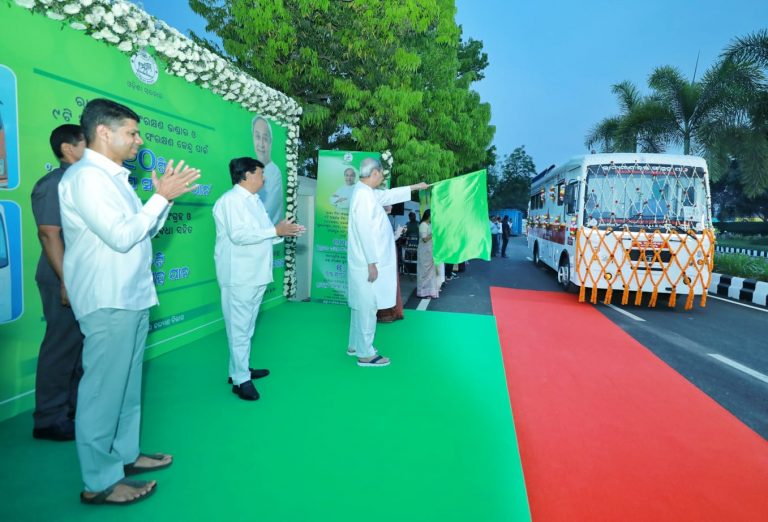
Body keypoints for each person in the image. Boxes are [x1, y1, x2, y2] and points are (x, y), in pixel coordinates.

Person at [59, 98, 200, 505]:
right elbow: (120, 237)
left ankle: (123, 455)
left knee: (126, 386)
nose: (139, 141)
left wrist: (163, 198)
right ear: (104, 132)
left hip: (130, 295)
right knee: (104, 390)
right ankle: (100, 481)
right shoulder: (87, 178)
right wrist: (159, 198)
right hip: (108, 298)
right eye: (132, 133)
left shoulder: (113, 178)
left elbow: (141, 232)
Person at [213, 157, 305, 401]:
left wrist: (284, 231)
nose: (264, 179)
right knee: (239, 328)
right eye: (260, 174)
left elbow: (266, 236)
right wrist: (275, 231)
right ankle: (241, 379)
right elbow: (239, 235)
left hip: (255, 274)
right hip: (239, 275)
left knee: (247, 327)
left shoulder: (254, 201)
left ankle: (239, 370)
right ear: (246, 175)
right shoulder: (231, 201)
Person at [30, 124, 86, 442]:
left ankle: (73, 409)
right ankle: (49, 418)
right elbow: (49, 233)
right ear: (68, 148)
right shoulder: (53, 184)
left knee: (80, 347)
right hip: (60, 277)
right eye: (85, 144)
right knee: (61, 347)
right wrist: (66, 280)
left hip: (80, 278)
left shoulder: (83, 182)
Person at [346, 158, 428, 366]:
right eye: (381, 174)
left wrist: (415, 187)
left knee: (359, 304)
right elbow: (364, 231)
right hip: (368, 262)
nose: (382, 178)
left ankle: (355, 344)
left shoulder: (366, 193)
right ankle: (365, 353)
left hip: (365, 261)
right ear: (373, 173)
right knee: (368, 306)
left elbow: (389, 195)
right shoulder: (364, 196)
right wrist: (372, 262)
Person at [252, 116, 283, 223]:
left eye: (265, 138)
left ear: (270, 141)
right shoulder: (251, 168)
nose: (260, 144)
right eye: (257, 137)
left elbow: (268, 209)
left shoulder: (274, 173)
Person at [376, 206, 405, 323]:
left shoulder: (384, 218)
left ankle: (386, 312)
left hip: (387, 257)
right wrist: (396, 235)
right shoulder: (379, 218)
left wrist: (396, 235)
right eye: (389, 203)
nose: (392, 206)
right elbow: (381, 240)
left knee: (388, 283)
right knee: (384, 284)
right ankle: (384, 313)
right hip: (382, 258)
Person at [416, 209, 441, 299]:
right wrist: (434, 234)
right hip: (424, 252)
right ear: (428, 216)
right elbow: (424, 239)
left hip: (429, 251)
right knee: (424, 272)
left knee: (430, 272)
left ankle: (430, 291)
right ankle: (423, 292)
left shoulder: (428, 225)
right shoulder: (423, 225)